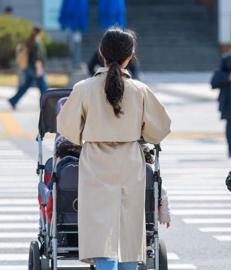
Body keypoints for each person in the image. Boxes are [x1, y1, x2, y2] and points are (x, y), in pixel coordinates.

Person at [57, 28, 171, 270]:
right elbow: (160, 129)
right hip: (129, 162)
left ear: (101, 53)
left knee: (99, 230)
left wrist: (85, 135)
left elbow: (66, 128)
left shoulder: (83, 88)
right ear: (131, 56)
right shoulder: (140, 90)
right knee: (130, 230)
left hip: (95, 162)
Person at [8, 25, 48, 110]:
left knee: (26, 86)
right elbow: (37, 58)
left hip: (29, 68)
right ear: (40, 32)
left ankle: (13, 100)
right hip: (36, 68)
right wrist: (39, 70)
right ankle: (45, 105)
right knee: (43, 86)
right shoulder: (36, 42)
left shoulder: (30, 41)